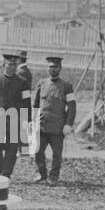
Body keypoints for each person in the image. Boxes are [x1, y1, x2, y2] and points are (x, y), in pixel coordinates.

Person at [31, 56, 76, 185]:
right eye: (51, 67)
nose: (53, 69)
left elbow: (72, 107)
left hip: (57, 127)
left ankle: (54, 177)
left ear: (60, 68)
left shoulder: (66, 86)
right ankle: (41, 174)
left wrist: (68, 124)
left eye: (55, 67)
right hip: (42, 125)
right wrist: (33, 121)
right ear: (48, 68)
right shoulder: (42, 83)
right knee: (38, 151)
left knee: (57, 154)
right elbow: (35, 104)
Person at [0, 53, 31, 176]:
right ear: (4, 64)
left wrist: (27, 120)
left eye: (14, 65)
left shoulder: (22, 82)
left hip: (15, 120)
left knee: (12, 148)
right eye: (10, 64)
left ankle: (6, 174)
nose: (12, 67)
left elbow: (27, 102)